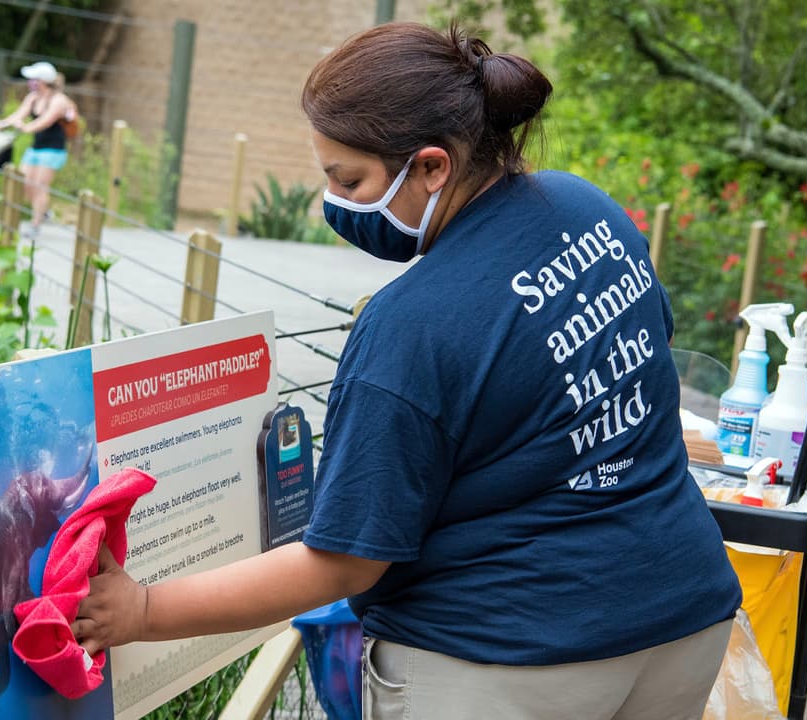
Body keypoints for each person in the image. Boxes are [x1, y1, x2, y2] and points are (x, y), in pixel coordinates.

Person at [71, 22, 741, 720]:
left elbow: (345, 562)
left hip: (508, 658)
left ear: (431, 166)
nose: (332, 201)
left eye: (347, 179)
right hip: (681, 616)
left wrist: (144, 609)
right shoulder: (586, 208)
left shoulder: (409, 327)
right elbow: (645, 357)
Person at [0, 61, 76, 236]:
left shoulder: (58, 100)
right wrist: (4, 123)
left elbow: (45, 121)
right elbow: (19, 114)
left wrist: (24, 128)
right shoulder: (33, 98)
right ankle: (43, 211)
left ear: (43, 80)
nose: (30, 82)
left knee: (40, 186)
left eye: (34, 79)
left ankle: (35, 223)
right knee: (25, 183)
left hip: (53, 150)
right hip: (36, 148)